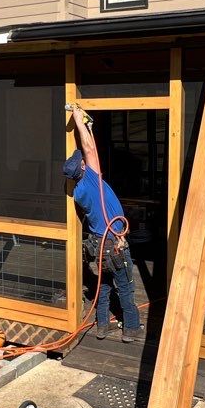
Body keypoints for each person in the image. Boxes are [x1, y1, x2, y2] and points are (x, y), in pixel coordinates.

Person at [64, 105, 144, 342]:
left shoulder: (78, 191)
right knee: (126, 287)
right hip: (114, 242)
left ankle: (101, 327)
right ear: (82, 168)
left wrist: (87, 127)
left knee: (105, 286)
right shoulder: (91, 179)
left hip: (99, 245)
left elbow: (88, 150)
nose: (85, 161)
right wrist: (80, 120)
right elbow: (88, 148)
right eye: (83, 163)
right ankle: (131, 328)